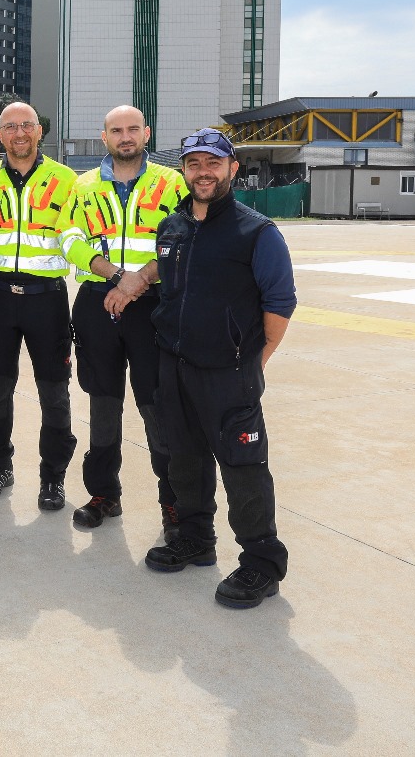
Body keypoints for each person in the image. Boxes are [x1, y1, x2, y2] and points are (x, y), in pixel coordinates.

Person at [144, 128, 297, 610]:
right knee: (184, 458)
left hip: (229, 374)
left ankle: (262, 563)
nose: (203, 172)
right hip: (176, 366)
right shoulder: (172, 227)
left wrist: (254, 362)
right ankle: (195, 538)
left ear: (233, 168)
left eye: (213, 163)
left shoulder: (257, 232)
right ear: (184, 171)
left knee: (243, 468)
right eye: (194, 164)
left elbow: (280, 302)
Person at [58, 105, 188, 536]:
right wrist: (114, 275)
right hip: (99, 300)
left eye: (133, 129)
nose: (125, 136)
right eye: (117, 130)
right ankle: (103, 493)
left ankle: (173, 502)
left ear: (147, 133)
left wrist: (140, 280)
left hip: (155, 306)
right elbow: (69, 238)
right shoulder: (83, 185)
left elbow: (185, 238)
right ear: (104, 137)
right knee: (103, 404)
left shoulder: (172, 183)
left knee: (159, 408)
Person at [0, 102, 79, 511]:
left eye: (26, 125)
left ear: (39, 131)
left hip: (46, 300)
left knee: (54, 395)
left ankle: (53, 478)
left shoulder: (67, 180)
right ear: (0, 135)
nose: (19, 133)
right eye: (10, 126)